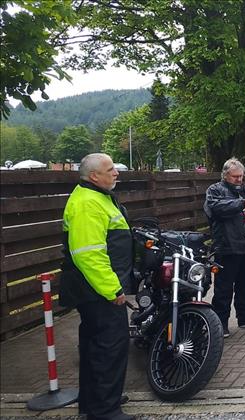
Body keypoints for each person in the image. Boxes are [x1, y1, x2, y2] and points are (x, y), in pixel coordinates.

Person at [59, 153, 133, 420]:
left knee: (94, 345)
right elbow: (88, 253)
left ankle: (96, 402)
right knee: (109, 346)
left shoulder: (96, 197)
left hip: (93, 288)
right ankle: (105, 410)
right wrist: (112, 289)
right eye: (110, 169)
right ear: (94, 176)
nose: (116, 173)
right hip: (98, 289)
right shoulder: (88, 204)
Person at [204, 157, 245, 337]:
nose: (239, 180)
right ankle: (220, 323)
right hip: (227, 245)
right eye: (235, 176)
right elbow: (216, 209)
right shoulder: (215, 190)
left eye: (241, 176)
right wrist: (243, 203)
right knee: (224, 287)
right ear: (225, 175)